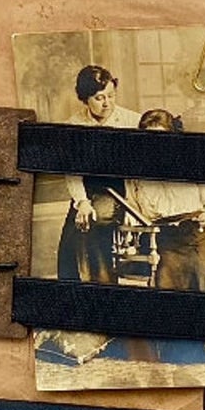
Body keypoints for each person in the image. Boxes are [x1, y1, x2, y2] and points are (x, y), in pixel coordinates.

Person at [126, 109, 205, 293]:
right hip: (161, 237)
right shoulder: (135, 174)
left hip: (197, 232)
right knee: (173, 273)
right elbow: (132, 211)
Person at [56, 64, 140, 283]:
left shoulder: (133, 121)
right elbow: (72, 172)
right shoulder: (74, 125)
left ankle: (101, 286)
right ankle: (74, 293)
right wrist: (82, 201)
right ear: (85, 99)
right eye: (99, 98)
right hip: (86, 191)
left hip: (120, 192)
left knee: (94, 225)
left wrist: (134, 204)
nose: (107, 103)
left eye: (111, 96)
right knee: (69, 241)